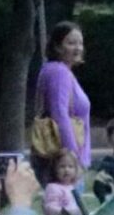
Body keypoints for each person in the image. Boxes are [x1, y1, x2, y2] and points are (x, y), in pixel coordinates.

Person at [38, 21, 93, 167]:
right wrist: (72, 157)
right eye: (71, 43)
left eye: (80, 43)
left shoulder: (61, 72)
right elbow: (60, 115)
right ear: (57, 46)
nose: (78, 48)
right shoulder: (58, 72)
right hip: (66, 164)